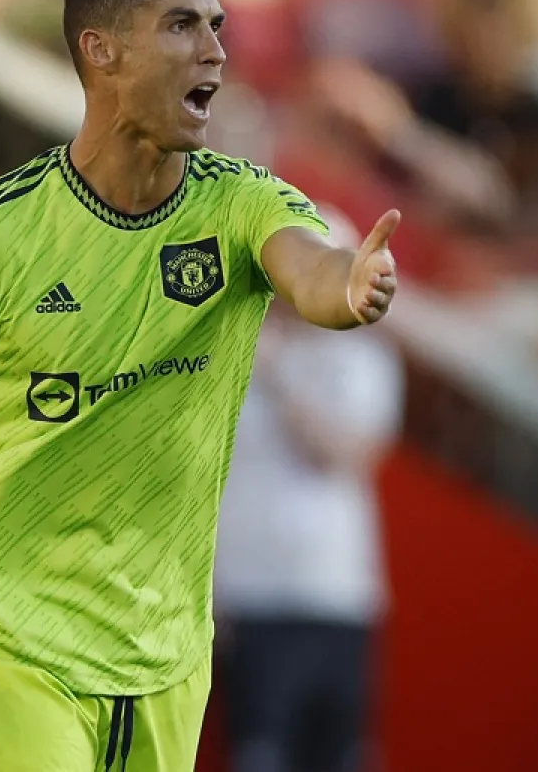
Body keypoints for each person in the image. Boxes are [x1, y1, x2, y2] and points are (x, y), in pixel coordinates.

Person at [0, 0, 401, 772]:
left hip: (165, 661)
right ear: (103, 51)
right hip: (15, 648)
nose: (215, 50)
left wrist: (348, 288)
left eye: (217, 24)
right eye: (182, 26)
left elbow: (309, 269)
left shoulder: (243, 206)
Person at [214, 207, 404, 772]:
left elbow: (344, 453)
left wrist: (279, 377)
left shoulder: (365, 361)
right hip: (252, 597)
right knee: (258, 752)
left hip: (336, 598)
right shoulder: (235, 349)